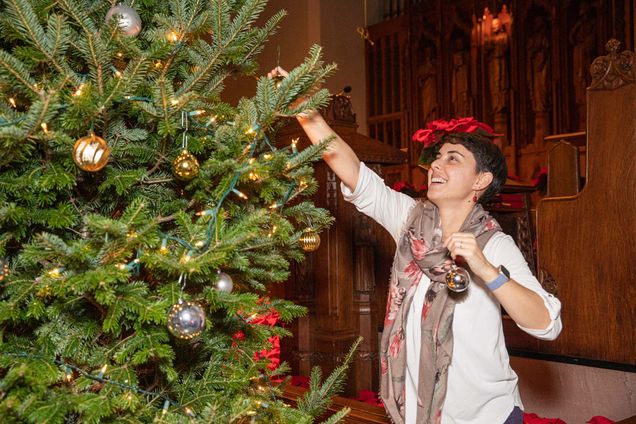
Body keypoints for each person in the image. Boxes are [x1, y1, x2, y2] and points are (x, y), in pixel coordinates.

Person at [268, 67, 562, 424]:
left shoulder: (495, 245)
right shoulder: (410, 222)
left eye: (453, 159)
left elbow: (547, 324)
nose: (436, 164)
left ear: (480, 180)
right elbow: (350, 169)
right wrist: (308, 111)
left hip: (486, 417)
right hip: (418, 415)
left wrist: (486, 270)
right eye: (436, 158)